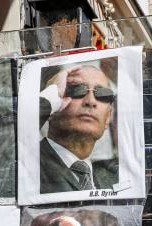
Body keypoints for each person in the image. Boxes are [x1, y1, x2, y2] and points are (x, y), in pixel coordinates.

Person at [38, 63, 118, 194]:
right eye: (76, 90)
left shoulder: (112, 179)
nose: (90, 101)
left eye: (103, 94)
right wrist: (50, 95)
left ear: (108, 117)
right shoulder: (24, 160)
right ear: (53, 105)